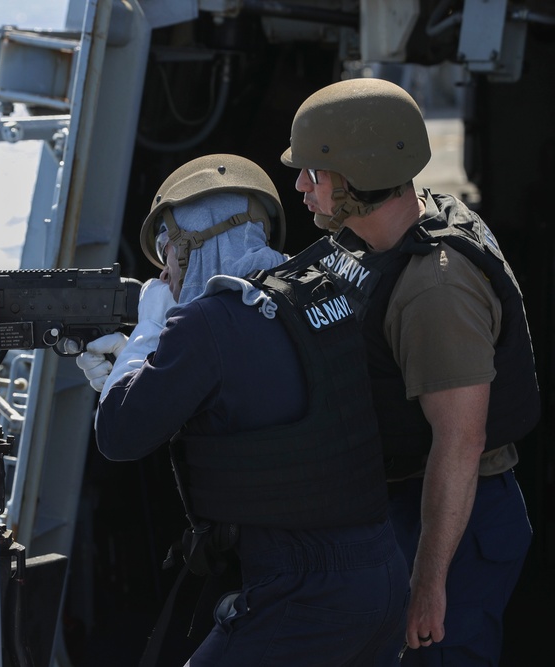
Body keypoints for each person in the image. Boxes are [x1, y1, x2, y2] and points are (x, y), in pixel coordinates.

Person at [78, 154, 408, 666]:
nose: (165, 274)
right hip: (378, 573)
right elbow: (253, 379)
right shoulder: (321, 290)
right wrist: (139, 368)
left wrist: (149, 331)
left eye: (168, 255)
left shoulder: (206, 324)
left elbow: (119, 435)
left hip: (304, 592)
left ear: (192, 247)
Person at [281, 76, 540, 665]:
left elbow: (460, 440)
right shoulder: (379, 236)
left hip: (453, 524)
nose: (300, 185)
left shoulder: (435, 290)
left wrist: (429, 584)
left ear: (360, 176)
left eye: (315, 173)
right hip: (405, 506)